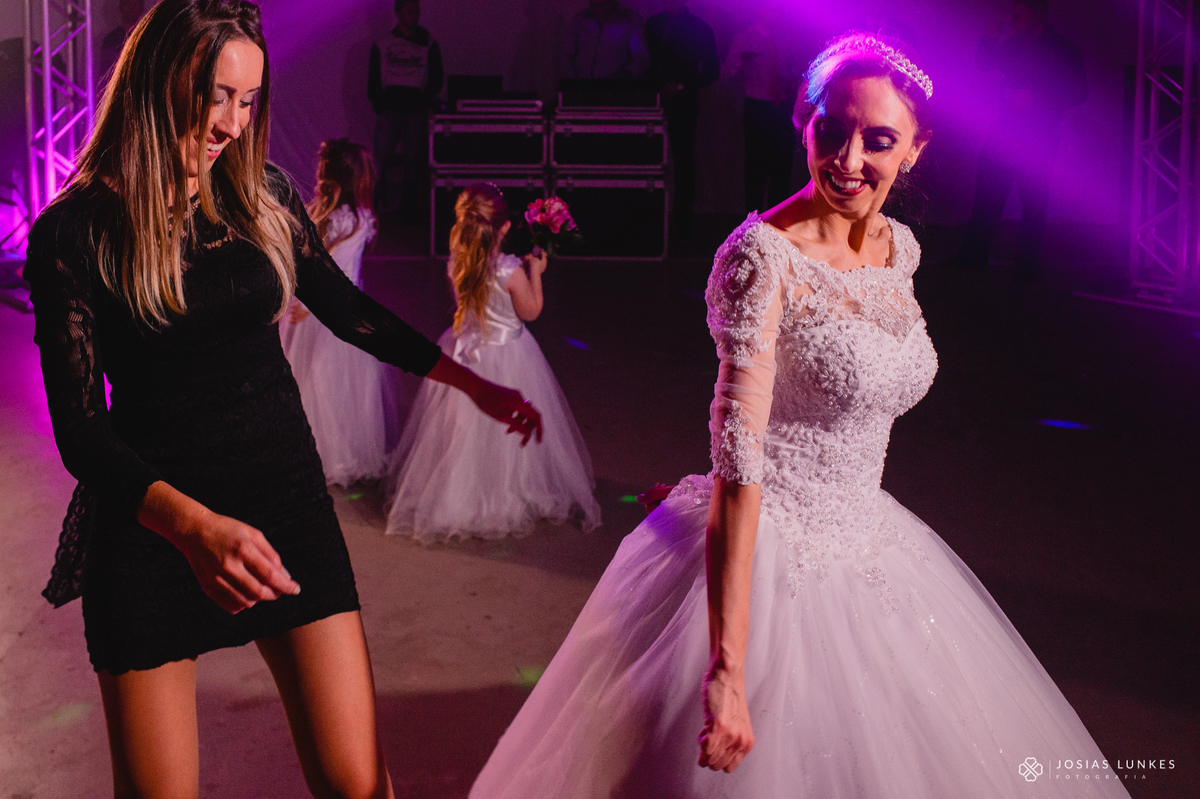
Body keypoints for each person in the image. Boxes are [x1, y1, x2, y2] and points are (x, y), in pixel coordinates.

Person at [470, 33, 1129, 798]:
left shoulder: (900, 249)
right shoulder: (761, 259)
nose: (849, 159)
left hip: (875, 539)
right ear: (801, 120)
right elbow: (740, 458)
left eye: (878, 140)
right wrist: (727, 667)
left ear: (915, 149)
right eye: (831, 129)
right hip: (773, 545)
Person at [23, 2, 541, 795]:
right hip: (155, 524)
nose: (231, 121)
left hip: (282, 499)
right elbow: (82, 433)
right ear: (163, 77)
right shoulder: (76, 231)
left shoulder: (259, 196)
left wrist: (471, 383)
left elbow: (351, 311)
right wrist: (193, 529)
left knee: (361, 785)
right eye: (215, 93)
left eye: (248, 99)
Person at [385, 184, 601, 542]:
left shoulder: (457, 262)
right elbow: (530, 310)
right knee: (508, 428)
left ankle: (460, 491)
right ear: (503, 228)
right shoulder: (510, 270)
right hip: (509, 356)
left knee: (462, 429)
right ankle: (503, 491)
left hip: (464, 355)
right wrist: (537, 272)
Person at [281, 139, 392, 487]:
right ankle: (327, 454)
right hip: (327, 312)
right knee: (325, 384)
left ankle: (323, 455)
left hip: (321, 312)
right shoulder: (352, 219)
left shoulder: (334, 218)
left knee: (319, 381)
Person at [954, 0, 1086, 279]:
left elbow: (1079, 92)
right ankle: (973, 256)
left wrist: (1039, 101)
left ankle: (1027, 264)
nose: (1012, 20)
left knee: (1034, 200)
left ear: (1035, 15)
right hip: (1005, 131)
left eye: (1017, 15)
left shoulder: (1063, 50)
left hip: (1040, 135)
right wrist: (989, 38)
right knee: (987, 193)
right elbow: (984, 63)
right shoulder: (1013, 45)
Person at [646, 0, 719, 240]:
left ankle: (682, 225)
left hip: (683, 104)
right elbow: (644, 63)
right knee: (647, 162)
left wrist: (680, 85)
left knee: (683, 163)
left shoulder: (698, 28)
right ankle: (648, 218)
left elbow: (711, 71)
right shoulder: (653, 25)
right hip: (651, 104)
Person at [723, 4, 802, 213]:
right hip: (757, 107)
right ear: (760, 11)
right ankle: (753, 221)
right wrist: (739, 62)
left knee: (782, 167)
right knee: (756, 167)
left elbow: (795, 70)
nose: (775, 15)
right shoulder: (745, 38)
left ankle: (778, 221)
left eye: (778, 10)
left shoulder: (787, 39)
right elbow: (726, 74)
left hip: (782, 107)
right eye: (770, 10)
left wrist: (792, 80)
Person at [368, 0, 443, 218]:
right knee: (379, 162)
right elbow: (373, 78)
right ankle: (371, 210)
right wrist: (379, 103)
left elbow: (437, 76)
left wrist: (424, 100)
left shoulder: (427, 42)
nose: (414, 16)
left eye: (416, 11)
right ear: (399, 14)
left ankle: (408, 212)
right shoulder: (384, 43)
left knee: (413, 162)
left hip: (415, 111)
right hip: (389, 110)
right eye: (410, 11)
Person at [560, 0, 650, 80]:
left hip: (617, 92)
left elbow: (640, 58)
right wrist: (572, 82)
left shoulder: (632, 21)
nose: (600, 10)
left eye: (604, 6)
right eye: (594, 6)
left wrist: (624, 77)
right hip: (581, 91)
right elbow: (566, 55)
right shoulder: (580, 20)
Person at [98, 0, 145, 83]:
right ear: (121, 7)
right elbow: (105, 75)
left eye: (135, 4)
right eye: (128, 4)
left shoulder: (147, 37)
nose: (132, 8)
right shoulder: (111, 40)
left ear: (142, 7)